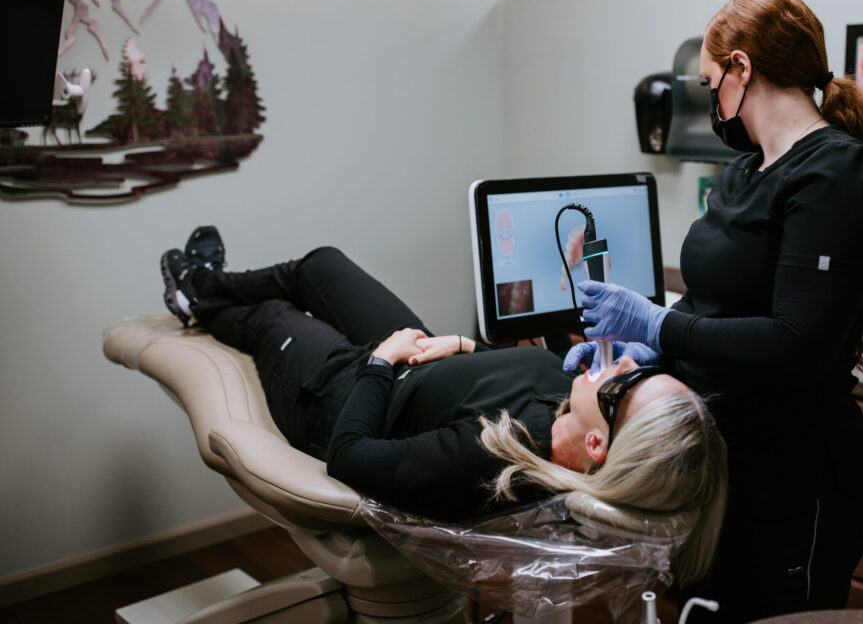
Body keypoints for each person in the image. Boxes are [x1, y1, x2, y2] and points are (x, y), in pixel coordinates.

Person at [564, 0, 863, 622]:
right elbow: (714, 305)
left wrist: (657, 323)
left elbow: (795, 343)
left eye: (709, 83)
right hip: (717, 462)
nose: (712, 103)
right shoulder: (744, 172)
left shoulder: (837, 174)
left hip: (791, 476)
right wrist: (649, 350)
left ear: (741, 67)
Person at [159, 227, 728, 585]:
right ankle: (205, 286)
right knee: (320, 265)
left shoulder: (496, 458)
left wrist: (380, 364)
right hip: (425, 359)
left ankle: (199, 289)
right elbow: (493, 380)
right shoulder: (569, 409)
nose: (627, 363)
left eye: (627, 384)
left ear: (597, 445)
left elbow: (350, 457)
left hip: (343, 395)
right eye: (646, 368)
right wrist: (465, 345)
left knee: (273, 316)